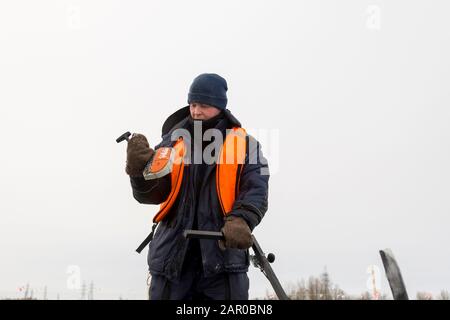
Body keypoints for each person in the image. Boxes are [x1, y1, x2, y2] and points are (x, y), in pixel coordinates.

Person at [125, 73, 269, 300]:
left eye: (203, 104)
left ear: (220, 106)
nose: (196, 111)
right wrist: (137, 173)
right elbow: (152, 194)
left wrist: (242, 219)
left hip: (223, 262)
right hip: (172, 260)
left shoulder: (247, 146)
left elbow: (256, 188)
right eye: (192, 104)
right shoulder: (171, 142)